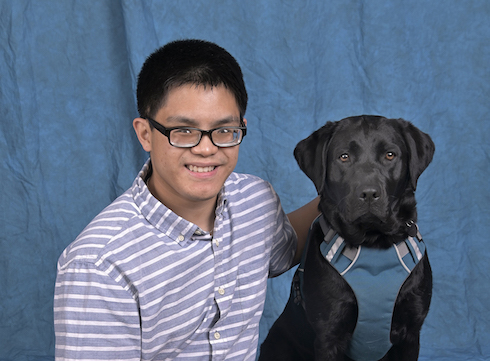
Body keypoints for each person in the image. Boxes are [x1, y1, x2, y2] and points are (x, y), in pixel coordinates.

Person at [54, 39, 319, 360]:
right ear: (145, 134)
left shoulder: (255, 202)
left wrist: (352, 195)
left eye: (223, 130)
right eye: (183, 131)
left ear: (241, 128)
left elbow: (286, 246)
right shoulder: (100, 266)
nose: (206, 149)